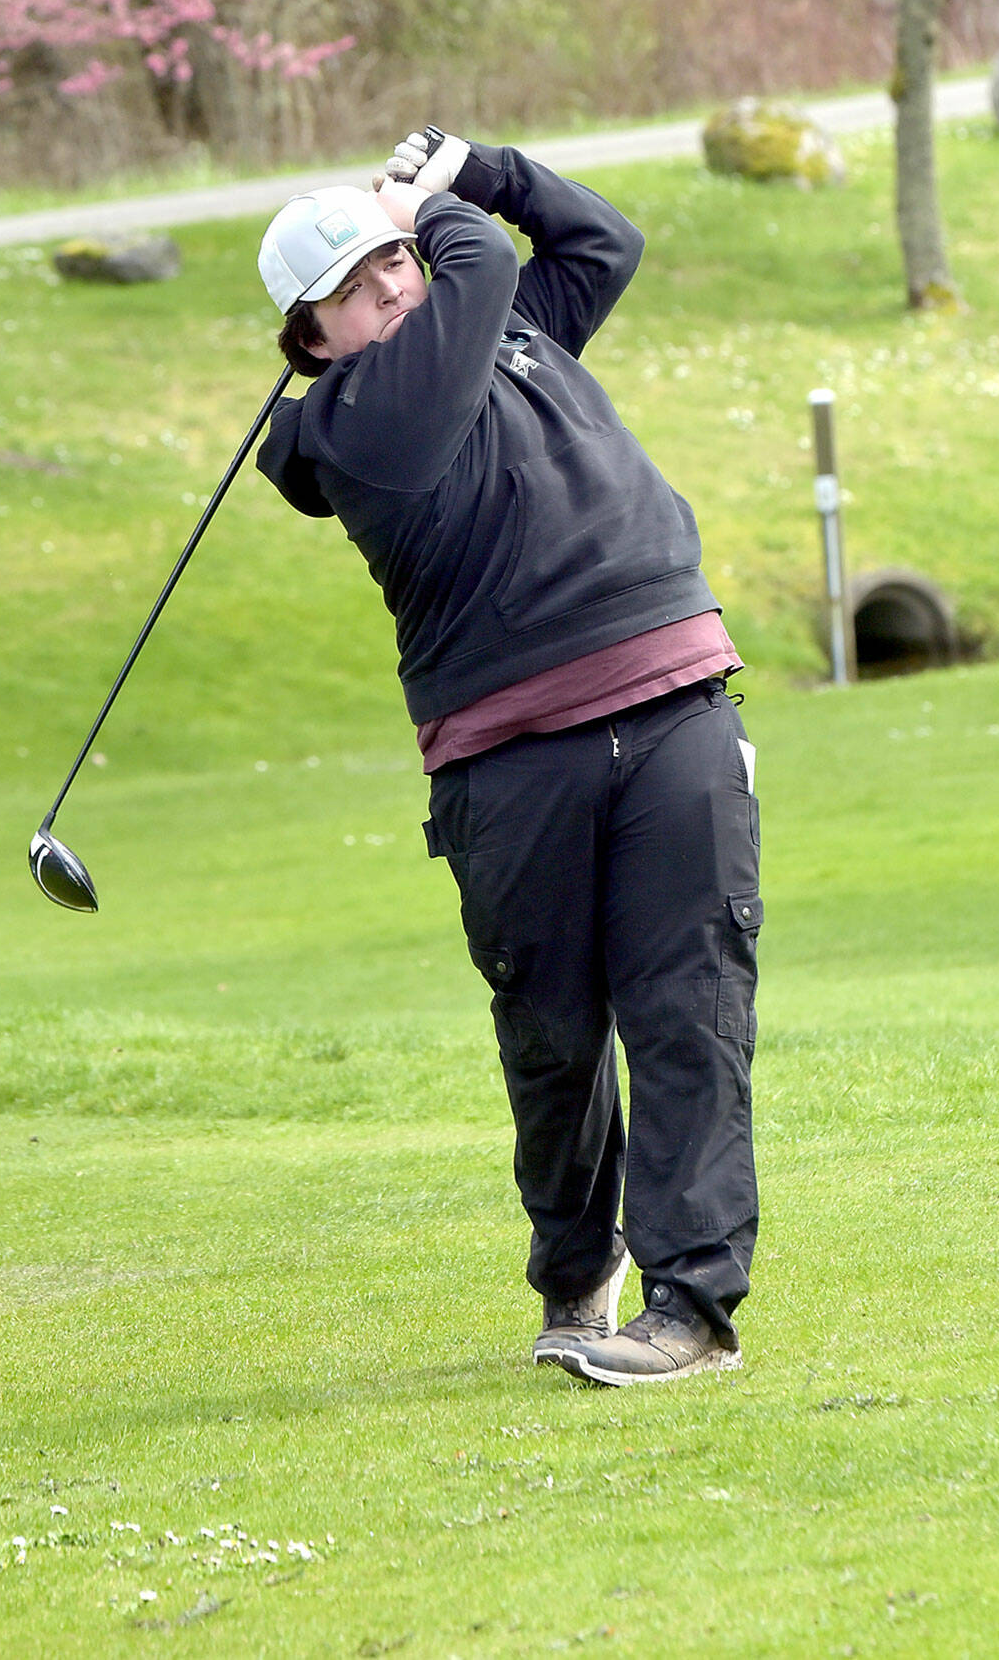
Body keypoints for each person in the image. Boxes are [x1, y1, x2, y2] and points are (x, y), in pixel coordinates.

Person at [254, 130, 761, 1386]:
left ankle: (689, 1307)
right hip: (508, 759)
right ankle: (573, 1271)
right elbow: (469, 260)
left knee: (687, 1010)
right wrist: (430, 203)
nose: (392, 285)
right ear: (310, 340)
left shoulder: (506, 328)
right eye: (357, 288)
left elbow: (602, 243)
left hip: (670, 701)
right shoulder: (361, 422)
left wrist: (487, 163)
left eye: (390, 265)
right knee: (551, 1035)